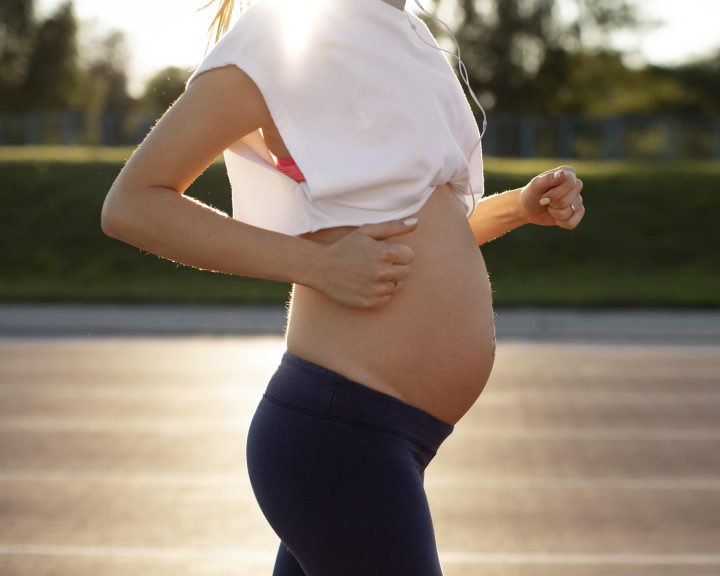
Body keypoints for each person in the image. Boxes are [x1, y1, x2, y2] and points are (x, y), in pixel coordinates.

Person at [99, 0, 585, 574]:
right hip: (341, 434)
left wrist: (519, 209)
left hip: (384, 437)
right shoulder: (283, 31)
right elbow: (133, 204)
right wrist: (317, 264)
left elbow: (411, 235)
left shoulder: (414, 39)